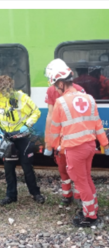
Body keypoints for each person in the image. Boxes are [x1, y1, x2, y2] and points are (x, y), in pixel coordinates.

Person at [47, 59, 109, 227]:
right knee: (86, 178)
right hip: (90, 146)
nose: (55, 89)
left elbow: (55, 129)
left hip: (74, 149)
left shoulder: (60, 103)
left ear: (60, 83)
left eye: (55, 85)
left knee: (80, 182)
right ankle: (92, 208)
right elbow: (97, 123)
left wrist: (52, 146)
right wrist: (105, 144)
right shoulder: (89, 98)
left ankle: (90, 217)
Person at [0, 75, 45, 206]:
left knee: (27, 166)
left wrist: (27, 124)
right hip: (7, 138)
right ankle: (11, 195)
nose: (0, 91)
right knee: (8, 168)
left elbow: (36, 112)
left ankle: (35, 193)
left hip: (22, 137)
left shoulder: (22, 97)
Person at [44, 59, 86, 205]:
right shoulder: (51, 91)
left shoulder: (79, 91)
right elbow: (50, 117)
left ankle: (80, 197)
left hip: (74, 138)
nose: (54, 87)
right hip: (60, 139)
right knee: (63, 169)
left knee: (78, 171)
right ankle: (67, 195)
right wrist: (48, 142)